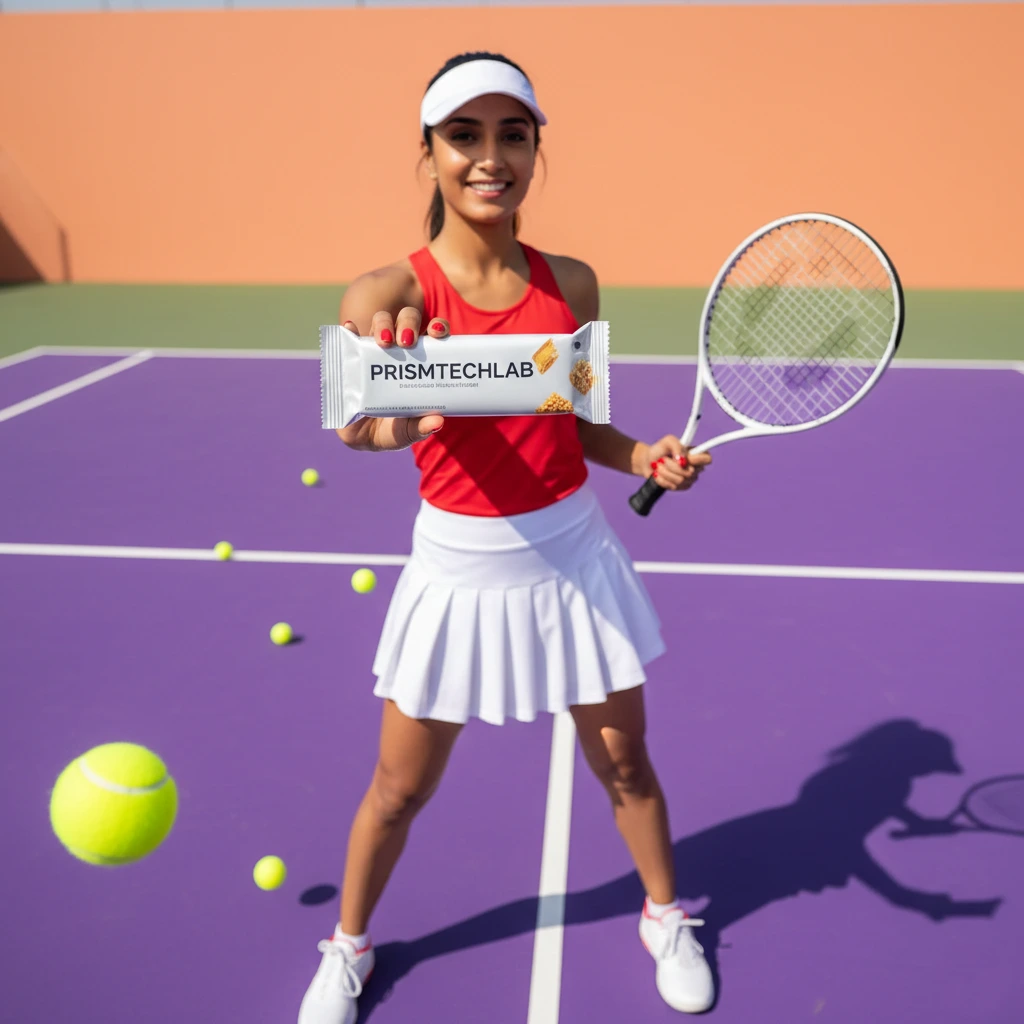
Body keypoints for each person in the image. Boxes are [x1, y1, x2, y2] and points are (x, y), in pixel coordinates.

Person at [298, 51, 714, 1024]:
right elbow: (353, 426)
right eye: (465, 136)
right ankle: (347, 946)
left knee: (624, 763)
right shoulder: (381, 294)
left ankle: (663, 915)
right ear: (431, 153)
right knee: (398, 791)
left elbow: (580, 427)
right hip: (456, 566)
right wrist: (398, 424)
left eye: (510, 134)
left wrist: (642, 456)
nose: (490, 157)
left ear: (534, 148)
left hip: (573, 554)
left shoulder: (571, 282)